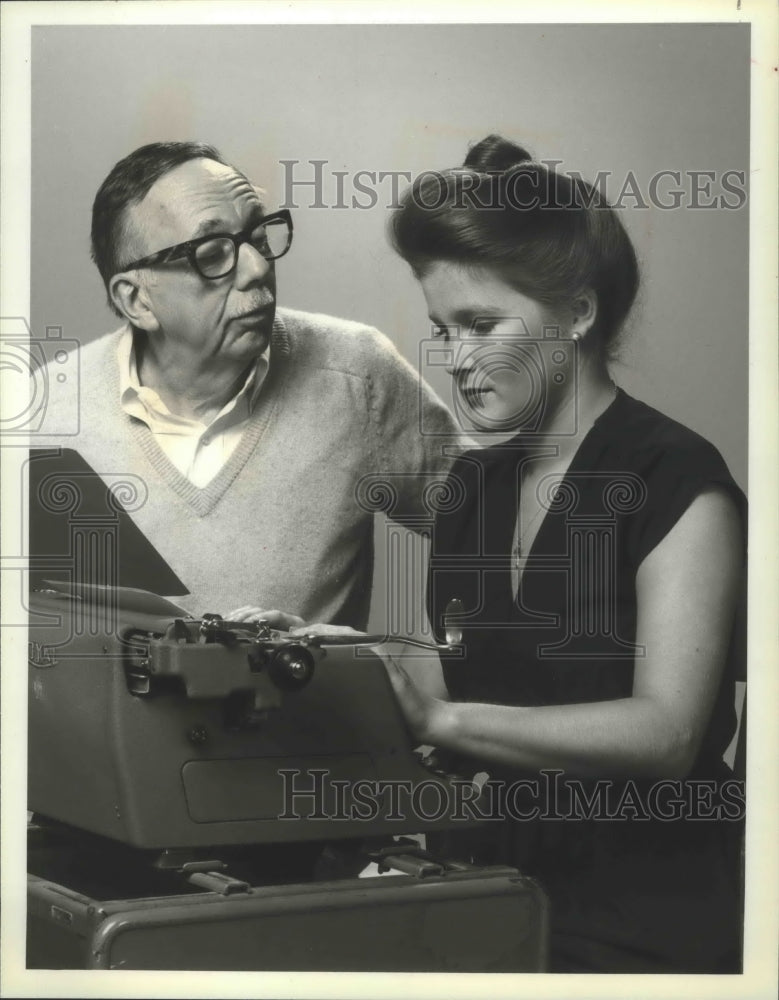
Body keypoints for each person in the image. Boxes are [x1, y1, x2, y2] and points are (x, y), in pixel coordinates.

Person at [312, 135, 747, 972]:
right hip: (490, 895)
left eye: (481, 325)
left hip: (645, 926)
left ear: (578, 314)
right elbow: (428, 681)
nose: (456, 359)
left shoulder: (679, 480)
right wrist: (314, 656)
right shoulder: (471, 488)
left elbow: (666, 733)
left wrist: (444, 722)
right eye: (443, 330)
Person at [36, 141, 463, 626]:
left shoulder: (358, 377)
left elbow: (503, 541)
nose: (259, 267)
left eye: (259, 236)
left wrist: (379, 669)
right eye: (212, 252)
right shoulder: (44, 414)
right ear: (137, 300)